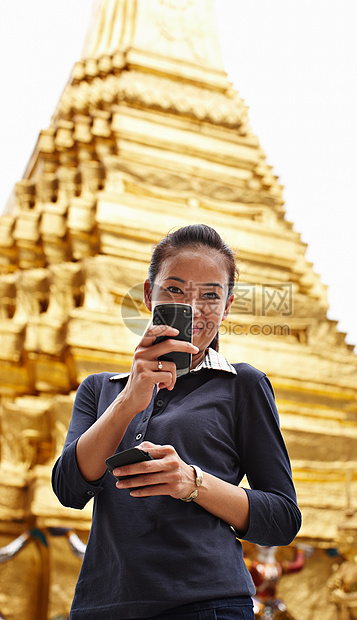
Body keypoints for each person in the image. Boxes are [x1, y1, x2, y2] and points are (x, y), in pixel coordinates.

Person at [52, 224, 301, 620]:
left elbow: (283, 518)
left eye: (210, 296)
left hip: (206, 604)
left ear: (228, 306)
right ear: (149, 294)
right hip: (102, 604)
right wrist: (129, 399)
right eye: (175, 290)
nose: (194, 309)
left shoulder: (243, 385)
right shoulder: (99, 389)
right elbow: (68, 488)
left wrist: (193, 482)